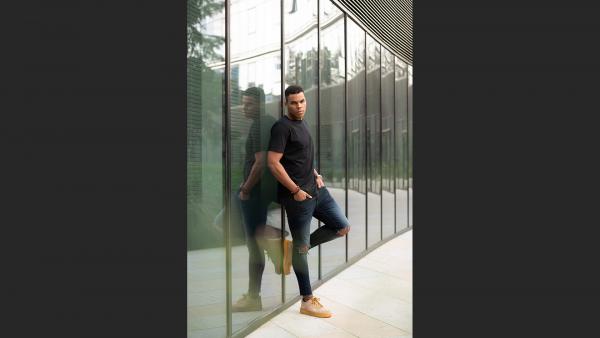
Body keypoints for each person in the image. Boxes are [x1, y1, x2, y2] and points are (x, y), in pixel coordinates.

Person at [267, 85, 351, 318]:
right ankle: (306, 300)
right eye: (294, 102)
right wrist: (295, 190)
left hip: (316, 191)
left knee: (342, 226)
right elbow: (273, 163)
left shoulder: (302, 124)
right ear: (286, 103)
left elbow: (299, 157)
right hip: (298, 198)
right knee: (302, 248)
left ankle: (296, 250)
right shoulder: (281, 127)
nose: (299, 106)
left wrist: (315, 173)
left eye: (302, 101)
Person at [231, 87, 287, 312]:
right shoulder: (266, 122)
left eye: (249, 104)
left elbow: (261, 162)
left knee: (253, 245)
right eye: (244, 103)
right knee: (228, 222)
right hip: (255, 191)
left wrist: (246, 188)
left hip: (255, 192)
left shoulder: (262, 125)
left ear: (261, 104)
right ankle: (272, 240)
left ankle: (253, 297)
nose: (245, 108)